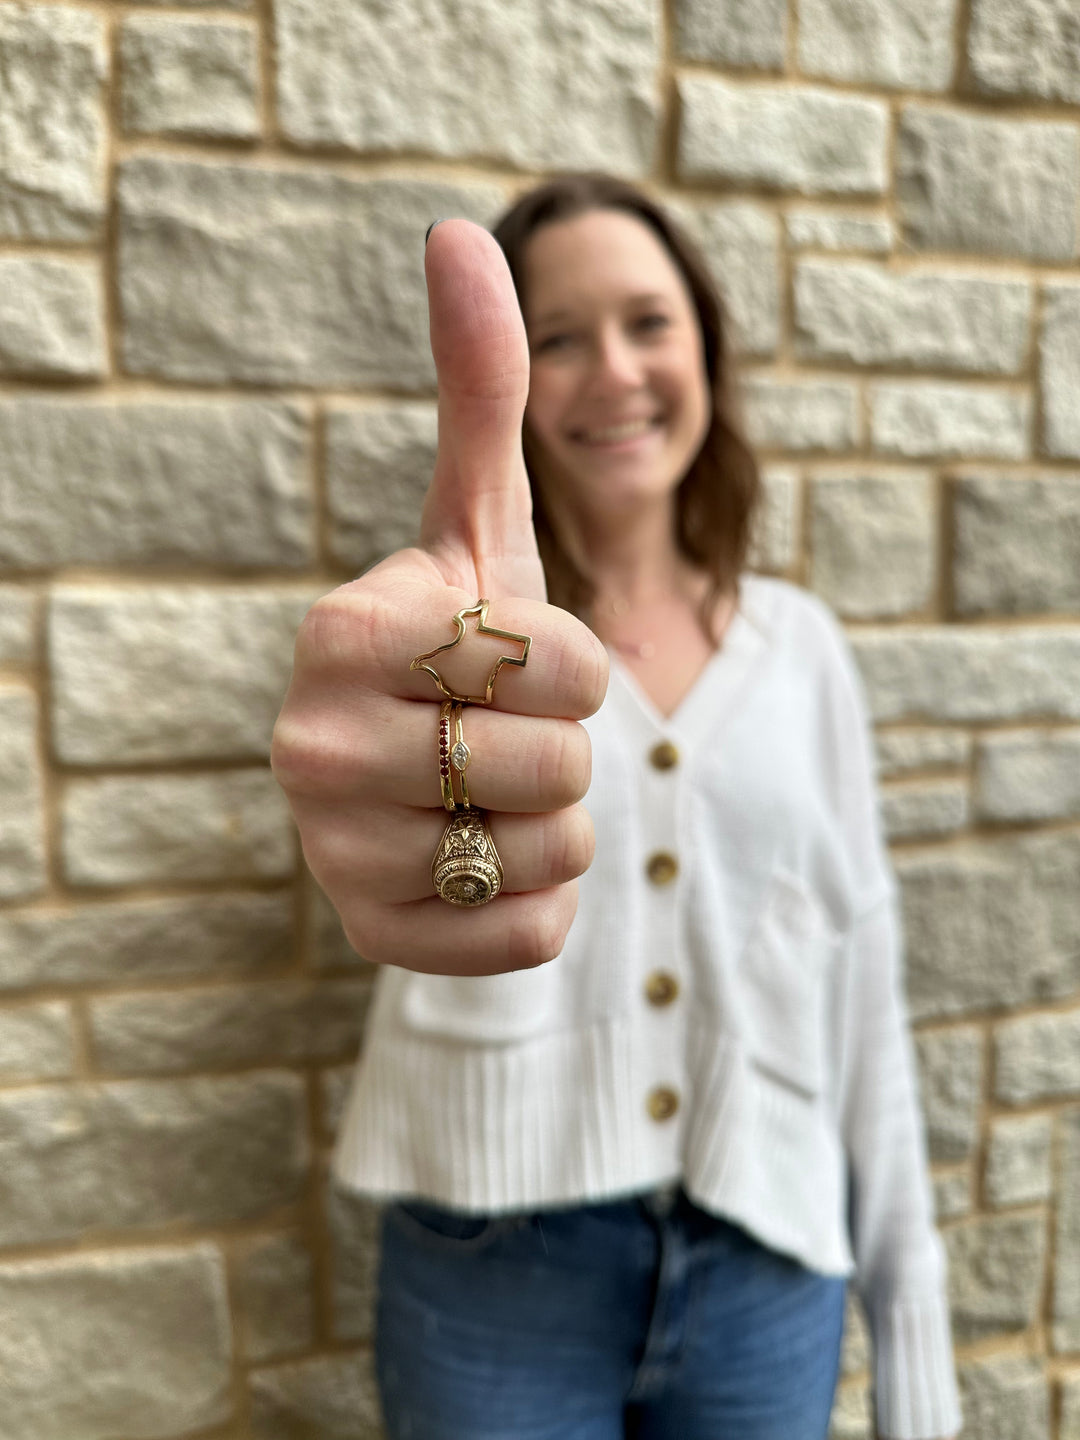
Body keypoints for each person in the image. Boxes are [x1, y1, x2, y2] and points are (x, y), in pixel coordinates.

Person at [271, 175, 962, 1440]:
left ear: (706, 342)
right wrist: (376, 775)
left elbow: (862, 987)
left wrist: (912, 1324)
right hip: (493, 1259)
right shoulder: (459, 642)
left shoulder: (804, 650)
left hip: (771, 1258)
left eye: (649, 321)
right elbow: (366, 792)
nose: (615, 372)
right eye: (560, 338)